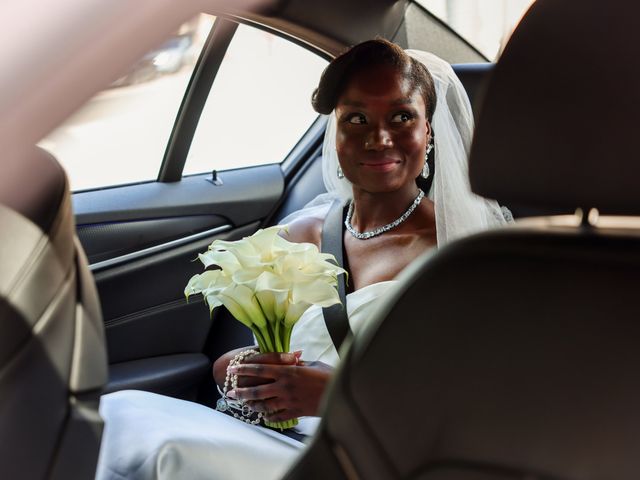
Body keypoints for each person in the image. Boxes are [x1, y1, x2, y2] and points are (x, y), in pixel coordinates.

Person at [95, 39, 510, 480]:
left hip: (374, 460)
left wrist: (338, 395)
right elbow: (249, 358)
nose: (379, 137)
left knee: (166, 449)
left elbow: (483, 406)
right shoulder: (304, 233)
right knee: (121, 412)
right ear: (336, 132)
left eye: (402, 117)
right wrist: (246, 371)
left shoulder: (458, 252)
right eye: (357, 118)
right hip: (277, 438)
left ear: (428, 132)